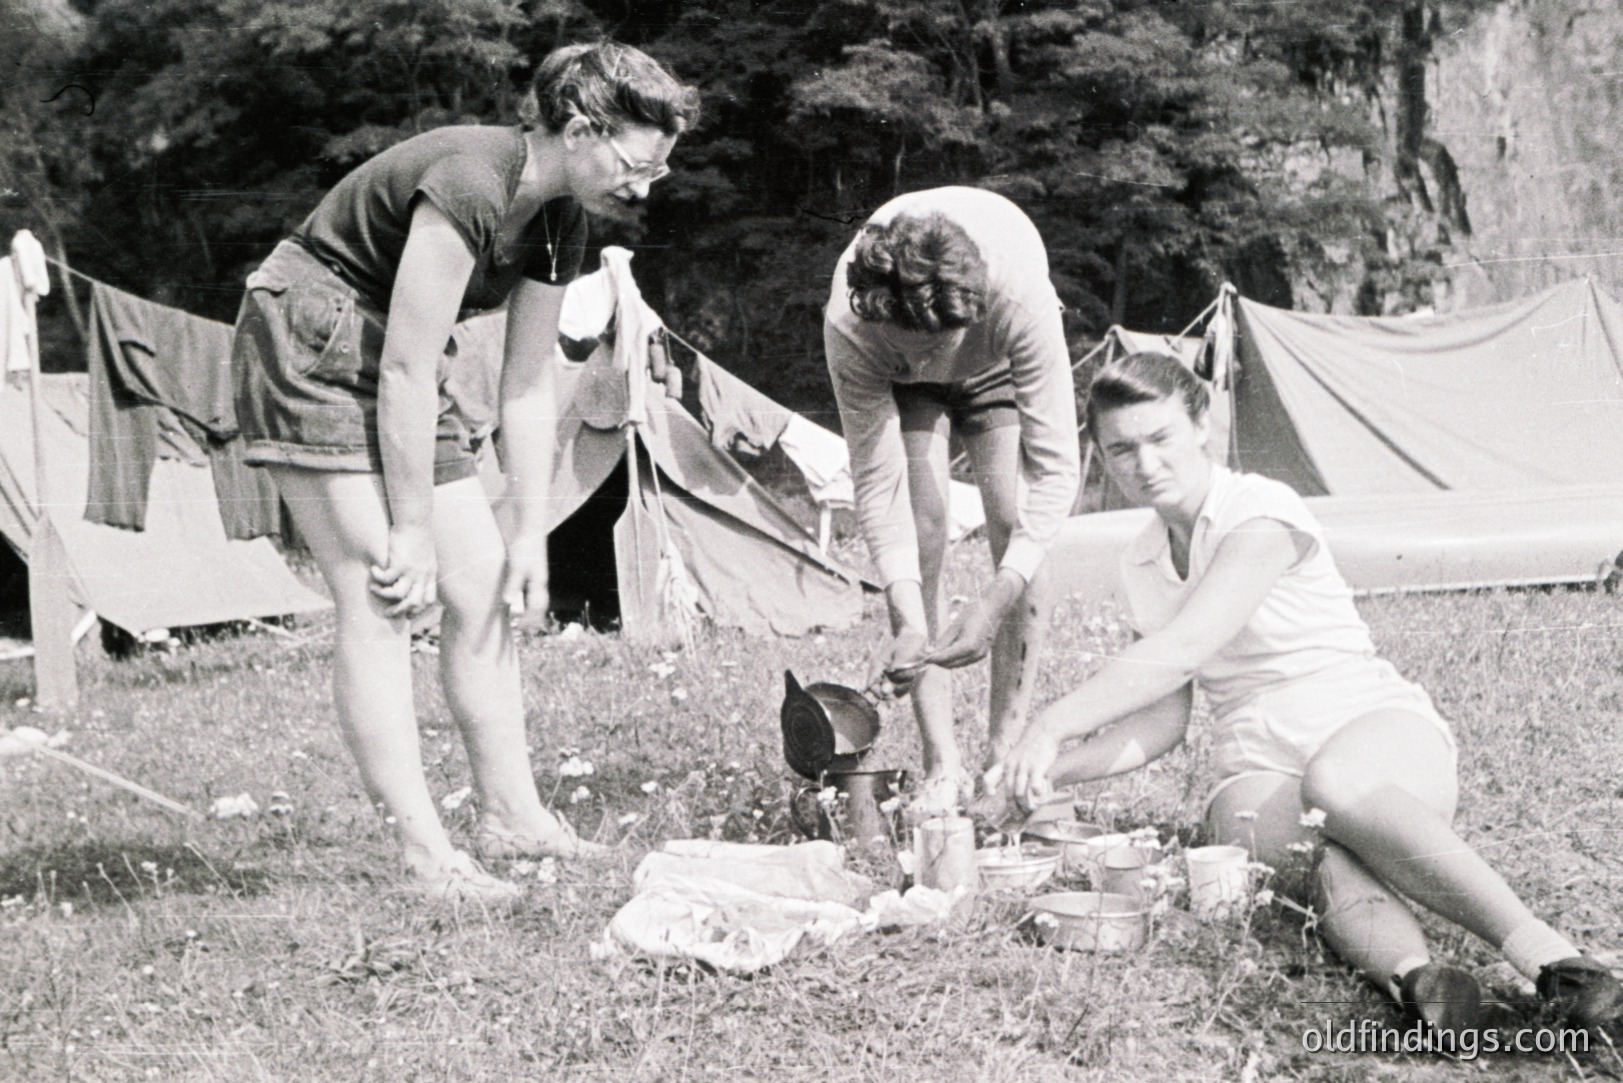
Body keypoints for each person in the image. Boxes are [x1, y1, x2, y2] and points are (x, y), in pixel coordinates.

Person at [998, 351, 1623, 1033]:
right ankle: (1419, 981)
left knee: (1331, 781)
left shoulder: (1259, 509)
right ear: (1101, 454)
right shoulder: (1139, 557)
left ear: (1201, 424)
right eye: (1121, 448)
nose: (1144, 463)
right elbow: (1162, 715)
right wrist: (1043, 771)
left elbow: (1181, 647)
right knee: (1313, 859)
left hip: (1366, 724)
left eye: (1160, 438)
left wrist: (1049, 723)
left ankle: (1556, 962)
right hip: (1253, 759)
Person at [230, 43, 699, 904]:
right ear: (578, 128)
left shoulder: (562, 220)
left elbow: (525, 383)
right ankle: (423, 855)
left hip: (395, 358)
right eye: (636, 165)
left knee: (481, 582)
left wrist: (529, 529)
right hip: (311, 332)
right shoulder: (472, 181)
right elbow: (406, 367)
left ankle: (511, 815)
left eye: (659, 174)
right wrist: (409, 528)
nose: (643, 187)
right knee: (380, 590)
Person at [823, 187, 1081, 816]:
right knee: (925, 521)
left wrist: (994, 600)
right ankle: (944, 762)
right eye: (922, 349)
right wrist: (911, 619)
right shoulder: (852, 327)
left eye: (939, 349)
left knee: (1013, 515)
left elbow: (1056, 472)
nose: (938, 363)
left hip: (992, 352)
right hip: (896, 368)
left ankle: (1003, 749)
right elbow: (877, 494)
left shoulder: (1020, 298)